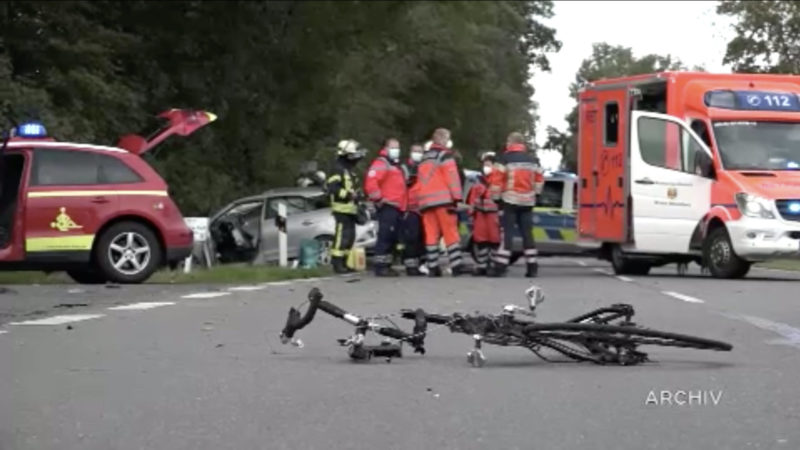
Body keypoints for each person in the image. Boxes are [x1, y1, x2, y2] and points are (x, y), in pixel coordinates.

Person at [417, 128, 471, 277]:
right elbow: (452, 179)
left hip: (426, 202)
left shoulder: (424, 157)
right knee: (450, 233)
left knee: (431, 235)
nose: (448, 142)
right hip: (443, 201)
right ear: (442, 139)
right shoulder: (446, 156)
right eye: (447, 138)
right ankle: (456, 266)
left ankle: (433, 267)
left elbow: (420, 180)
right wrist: (457, 199)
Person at [489, 131, 544, 278]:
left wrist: (496, 199)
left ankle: (500, 266)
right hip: (528, 202)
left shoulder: (504, 159)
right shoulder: (533, 160)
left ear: (511, 143)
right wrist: (536, 195)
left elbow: (496, 182)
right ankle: (532, 267)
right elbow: (539, 180)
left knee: (508, 234)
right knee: (528, 235)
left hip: (510, 201)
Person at [364, 138, 407, 277]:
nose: (396, 150)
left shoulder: (394, 165)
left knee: (391, 237)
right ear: (386, 148)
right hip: (387, 206)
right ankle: (380, 266)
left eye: (398, 148)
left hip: (396, 207)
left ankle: (386, 265)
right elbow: (371, 182)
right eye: (393, 147)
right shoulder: (381, 163)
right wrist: (379, 199)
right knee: (385, 236)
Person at [326, 139, 366, 274]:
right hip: (341, 209)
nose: (356, 159)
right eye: (353, 155)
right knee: (341, 236)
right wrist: (349, 195)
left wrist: (358, 195)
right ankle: (337, 264)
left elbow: (352, 187)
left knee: (350, 237)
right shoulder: (337, 169)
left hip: (351, 209)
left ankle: (345, 262)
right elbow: (333, 188)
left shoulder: (348, 170)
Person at [466, 151, 501, 276]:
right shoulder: (478, 180)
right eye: (485, 164)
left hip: (493, 215)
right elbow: (472, 198)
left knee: (494, 241)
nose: (486, 167)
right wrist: (471, 213)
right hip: (480, 214)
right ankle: (482, 265)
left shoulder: (498, 179)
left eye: (489, 164)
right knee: (481, 241)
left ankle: (492, 265)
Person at [400, 144, 425, 276]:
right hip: (410, 207)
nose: (418, 154)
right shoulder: (405, 168)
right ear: (410, 153)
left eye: (420, 151)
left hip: (423, 208)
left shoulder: (426, 167)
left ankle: (419, 264)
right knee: (412, 237)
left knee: (422, 237)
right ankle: (410, 265)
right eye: (415, 151)